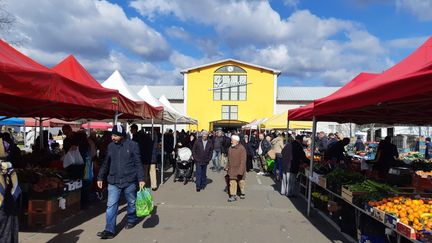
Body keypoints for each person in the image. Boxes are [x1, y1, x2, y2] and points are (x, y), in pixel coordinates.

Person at [97, 125, 145, 240]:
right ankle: (109, 230)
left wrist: (141, 179)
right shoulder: (110, 146)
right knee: (111, 205)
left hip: (129, 180)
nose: (112, 137)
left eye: (115, 135)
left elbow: (138, 163)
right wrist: (100, 177)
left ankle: (132, 219)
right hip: (113, 181)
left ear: (122, 135)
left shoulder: (133, 145)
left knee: (132, 203)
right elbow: (105, 163)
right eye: (112, 135)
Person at [0, 162, 21, 243]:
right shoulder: (8, 168)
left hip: (5, 205)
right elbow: (16, 188)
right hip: (6, 205)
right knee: (6, 233)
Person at [226, 135, 247, 202]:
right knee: (232, 182)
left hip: (239, 168)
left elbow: (243, 161)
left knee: (241, 182)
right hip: (232, 168)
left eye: (232, 140)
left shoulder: (242, 148)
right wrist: (227, 166)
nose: (231, 141)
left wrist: (241, 171)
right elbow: (228, 159)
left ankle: (242, 192)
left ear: (236, 141)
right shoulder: (230, 148)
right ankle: (233, 195)